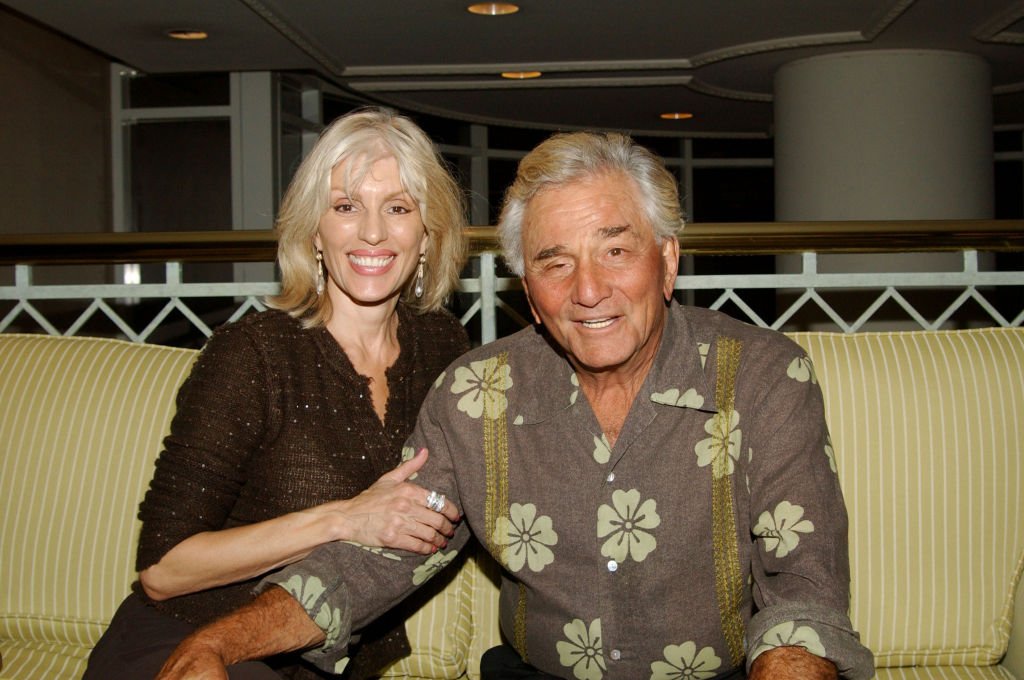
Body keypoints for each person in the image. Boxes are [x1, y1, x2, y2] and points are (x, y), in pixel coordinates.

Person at [155, 131, 875, 680]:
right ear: (528, 291)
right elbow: (374, 563)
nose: (587, 290)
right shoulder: (477, 395)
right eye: (554, 262)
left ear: (668, 261)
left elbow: (802, 596)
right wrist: (219, 640)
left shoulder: (764, 377)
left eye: (615, 252)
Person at [83, 107, 471, 680]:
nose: (371, 231)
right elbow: (164, 569)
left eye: (397, 207)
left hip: (316, 655)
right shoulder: (253, 353)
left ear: (427, 232)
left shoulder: (444, 346)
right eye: (346, 207)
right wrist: (343, 518)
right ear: (314, 230)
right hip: (184, 639)